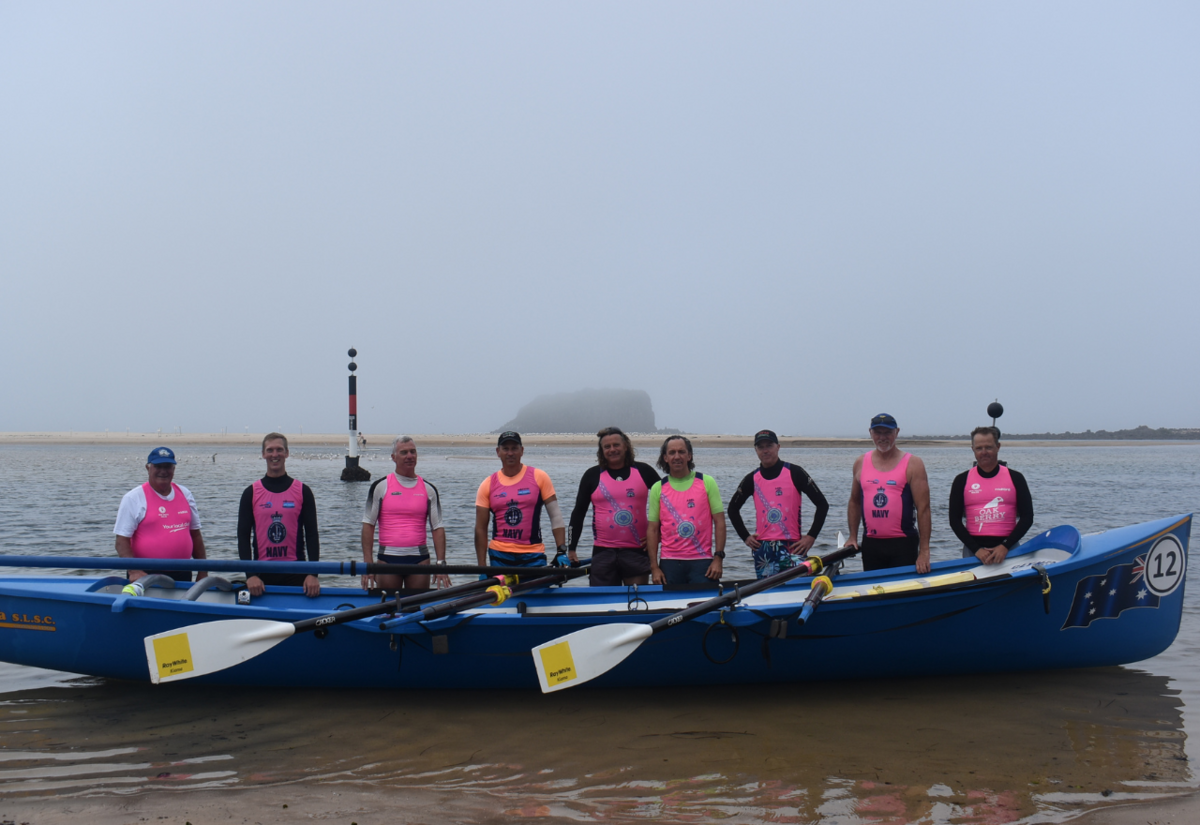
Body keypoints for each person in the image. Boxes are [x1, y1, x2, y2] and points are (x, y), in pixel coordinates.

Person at [728, 429, 830, 579]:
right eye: (761, 447)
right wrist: (746, 537)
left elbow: (822, 504)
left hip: (793, 546)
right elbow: (732, 509)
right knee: (767, 591)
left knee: (797, 588)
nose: (765, 450)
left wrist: (811, 536)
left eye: (769, 446)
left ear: (778, 447)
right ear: (756, 450)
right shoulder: (752, 479)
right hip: (764, 549)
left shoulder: (795, 472)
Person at [568, 427, 662, 586]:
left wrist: (659, 535)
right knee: (602, 599)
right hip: (603, 552)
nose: (612, 450)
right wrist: (571, 548)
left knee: (636, 598)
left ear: (626, 446)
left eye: (616, 445)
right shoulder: (592, 475)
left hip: (637, 550)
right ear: (601, 451)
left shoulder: (644, 471)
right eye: (607, 447)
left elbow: (668, 505)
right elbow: (578, 513)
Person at [361, 436, 451, 591]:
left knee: (417, 605)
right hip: (388, 559)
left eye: (412, 452)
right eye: (404, 452)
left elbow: (437, 528)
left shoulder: (429, 489)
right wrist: (368, 564)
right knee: (388, 605)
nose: (409, 456)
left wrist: (441, 563)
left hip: (419, 560)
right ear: (393, 457)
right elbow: (368, 525)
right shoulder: (380, 487)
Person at [846, 414, 932, 573]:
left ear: (896, 432)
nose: (882, 437)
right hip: (871, 544)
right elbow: (854, 502)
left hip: (903, 543)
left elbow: (924, 509)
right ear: (870, 433)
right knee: (874, 587)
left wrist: (924, 551)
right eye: (878, 433)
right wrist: (852, 536)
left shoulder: (913, 463)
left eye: (887, 433)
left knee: (902, 588)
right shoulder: (860, 462)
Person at [237, 433, 320, 597]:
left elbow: (312, 535)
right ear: (263, 454)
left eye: (279, 450)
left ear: (287, 453)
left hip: (296, 573)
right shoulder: (251, 493)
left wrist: (313, 574)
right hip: (261, 576)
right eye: (270, 450)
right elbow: (243, 536)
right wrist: (250, 575)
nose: (275, 455)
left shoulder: (302, 491)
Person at [474, 432, 567, 570]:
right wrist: (482, 568)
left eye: (514, 448)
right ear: (498, 452)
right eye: (505, 449)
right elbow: (480, 529)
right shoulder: (487, 484)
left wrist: (561, 550)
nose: (510, 453)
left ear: (522, 451)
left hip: (533, 554)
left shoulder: (539, 477)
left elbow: (556, 517)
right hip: (499, 555)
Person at [114, 447, 207, 583]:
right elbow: (121, 541)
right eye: (158, 466)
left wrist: (203, 571)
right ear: (148, 468)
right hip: (145, 574)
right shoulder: (134, 498)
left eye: (167, 466)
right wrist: (134, 571)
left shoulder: (185, 494)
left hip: (183, 572)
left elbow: (196, 535)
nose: (163, 471)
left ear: (174, 469)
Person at [647, 436, 726, 585]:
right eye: (672, 452)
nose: (677, 457)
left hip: (703, 562)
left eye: (681, 452)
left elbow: (720, 522)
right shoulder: (658, 487)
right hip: (669, 563)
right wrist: (654, 567)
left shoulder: (707, 482)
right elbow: (652, 530)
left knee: (707, 600)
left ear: (689, 456)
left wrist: (718, 558)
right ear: (665, 458)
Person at [949, 426, 1034, 564]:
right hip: (974, 551)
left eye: (988, 447)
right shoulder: (961, 480)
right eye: (979, 448)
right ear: (972, 449)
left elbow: (1027, 517)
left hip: (1009, 549)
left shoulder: (1016, 478)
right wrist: (976, 550)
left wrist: (1005, 546)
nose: (984, 452)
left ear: (998, 447)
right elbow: (954, 520)